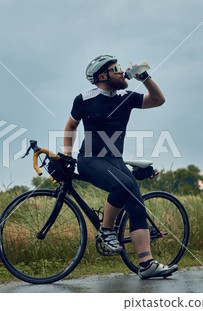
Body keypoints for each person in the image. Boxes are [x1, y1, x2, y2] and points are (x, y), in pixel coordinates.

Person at [63, 54, 178, 279]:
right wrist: (67, 156)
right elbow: (70, 125)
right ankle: (106, 230)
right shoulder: (84, 99)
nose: (120, 70)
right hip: (90, 159)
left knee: (137, 206)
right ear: (102, 76)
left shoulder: (125, 97)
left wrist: (144, 77)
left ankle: (146, 264)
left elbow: (158, 100)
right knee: (124, 184)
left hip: (115, 161)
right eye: (115, 68)